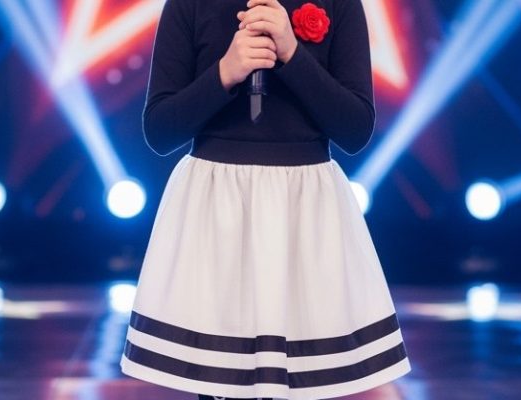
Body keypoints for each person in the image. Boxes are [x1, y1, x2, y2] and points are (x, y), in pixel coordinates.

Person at [119, 0, 411, 399]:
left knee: (303, 380)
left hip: (304, 211)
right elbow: (160, 130)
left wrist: (293, 53)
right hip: (217, 210)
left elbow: (355, 129)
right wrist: (225, 72)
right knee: (221, 380)